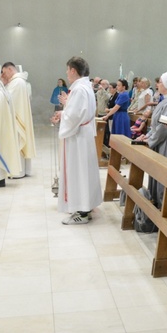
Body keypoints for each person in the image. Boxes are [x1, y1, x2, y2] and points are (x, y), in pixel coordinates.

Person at [51, 56, 102, 225]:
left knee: (79, 172)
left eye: (67, 70)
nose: (66, 74)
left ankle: (82, 211)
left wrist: (64, 114)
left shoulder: (80, 89)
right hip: (81, 134)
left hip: (78, 137)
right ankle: (84, 206)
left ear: (73, 70)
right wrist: (65, 111)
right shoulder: (83, 87)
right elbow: (77, 112)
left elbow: (74, 115)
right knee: (83, 172)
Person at [138, 70, 167, 206]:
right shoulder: (165, 101)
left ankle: (162, 204)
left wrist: (150, 140)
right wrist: (146, 136)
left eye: (160, 82)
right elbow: (156, 125)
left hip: (165, 143)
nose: (157, 85)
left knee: (162, 175)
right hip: (159, 140)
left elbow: (165, 127)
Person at [1, 62, 36, 177]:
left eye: (4, 72)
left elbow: (7, 100)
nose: (4, 75)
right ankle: (23, 170)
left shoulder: (16, 82)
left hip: (16, 120)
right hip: (19, 117)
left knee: (17, 143)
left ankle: (18, 172)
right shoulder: (20, 81)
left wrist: (2, 85)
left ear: (10, 69)